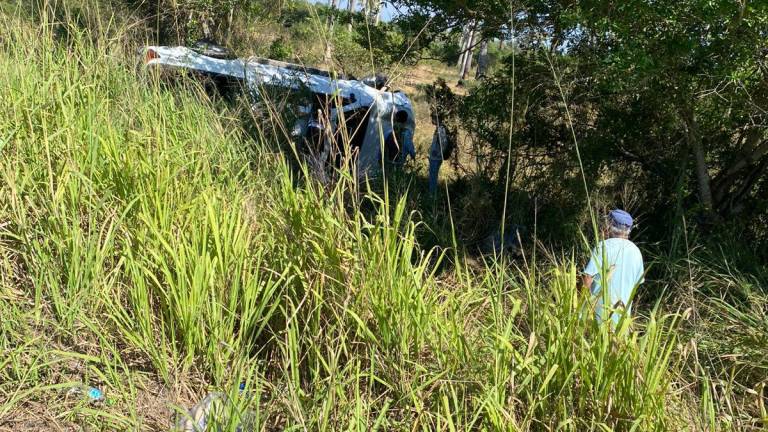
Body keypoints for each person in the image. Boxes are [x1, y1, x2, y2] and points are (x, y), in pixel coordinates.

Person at [582, 209, 645, 326]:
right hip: (623, 318)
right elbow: (637, 283)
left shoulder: (603, 246)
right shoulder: (636, 251)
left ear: (609, 226)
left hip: (599, 316)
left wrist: (581, 308)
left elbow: (587, 278)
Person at [428, 113, 450, 194]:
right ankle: (432, 194)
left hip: (436, 158)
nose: (432, 120)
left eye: (433, 118)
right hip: (435, 157)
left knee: (433, 178)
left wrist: (439, 154)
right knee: (432, 177)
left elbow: (443, 143)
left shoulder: (441, 129)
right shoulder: (439, 128)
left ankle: (432, 196)